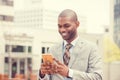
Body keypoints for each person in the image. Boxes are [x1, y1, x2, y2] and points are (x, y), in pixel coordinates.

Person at [39, 9, 103, 80]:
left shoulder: (91, 48)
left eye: (66, 26)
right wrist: (42, 74)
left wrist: (69, 73)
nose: (62, 30)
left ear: (77, 24)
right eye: (59, 26)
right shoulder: (52, 50)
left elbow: (97, 77)